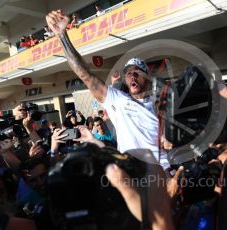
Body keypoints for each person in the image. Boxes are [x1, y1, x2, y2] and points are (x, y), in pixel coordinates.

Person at [46, 10, 160, 160]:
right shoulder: (118, 100)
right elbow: (85, 75)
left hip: (164, 172)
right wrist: (62, 35)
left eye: (138, 72)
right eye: (129, 73)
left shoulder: (162, 104)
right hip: (132, 172)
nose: (133, 75)